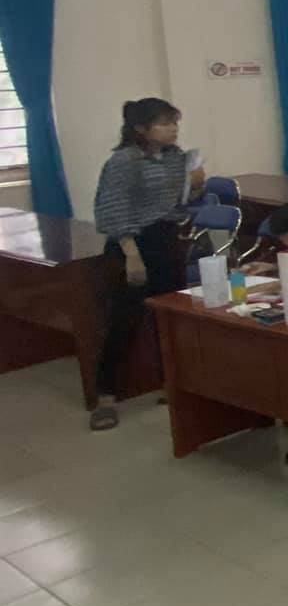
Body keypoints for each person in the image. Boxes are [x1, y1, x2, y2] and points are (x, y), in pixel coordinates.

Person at [88, 98, 205, 431]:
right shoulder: (124, 161)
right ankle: (106, 397)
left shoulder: (175, 158)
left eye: (174, 123)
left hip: (166, 241)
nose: (173, 129)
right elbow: (113, 209)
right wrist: (132, 254)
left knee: (168, 317)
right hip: (132, 245)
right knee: (123, 319)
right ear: (140, 128)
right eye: (164, 123)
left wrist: (197, 186)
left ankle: (172, 383)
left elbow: (181, 204)